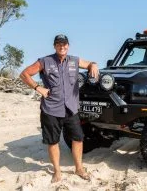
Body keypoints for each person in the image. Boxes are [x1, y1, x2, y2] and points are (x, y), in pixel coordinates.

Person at [20, 34, 99, 183]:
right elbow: (24, 74)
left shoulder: (74, 61)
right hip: (51, 109)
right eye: (58, 44)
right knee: (53, 141)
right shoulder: (45, 61)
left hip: (71, 109)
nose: (62, 47)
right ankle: (57, 171)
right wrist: (38, 88)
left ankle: (79, 168)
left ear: (68, 46)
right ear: (55, 46)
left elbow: (89, 64)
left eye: (64, 44)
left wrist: (93, 64)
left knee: (78, 138)